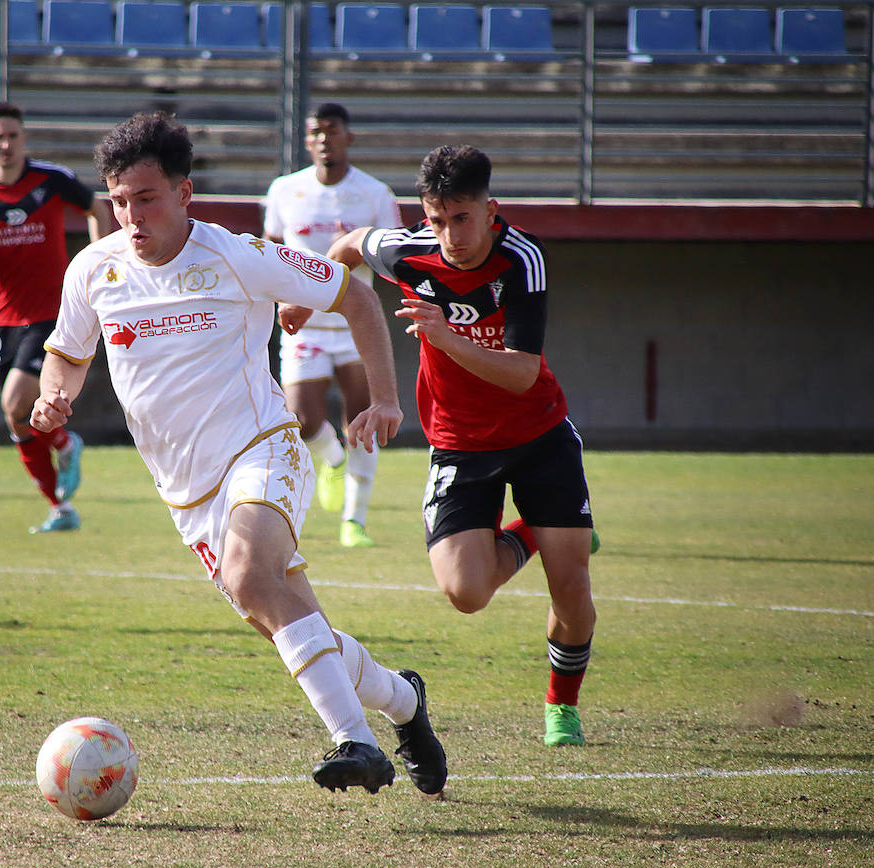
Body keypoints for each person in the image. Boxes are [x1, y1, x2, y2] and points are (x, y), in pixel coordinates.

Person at [30, 112, 447, 795]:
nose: (131, 215)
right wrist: (55, 396)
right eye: (119, 200)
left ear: (184, 193)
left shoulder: (236, 254)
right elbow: (67, 357)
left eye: (147, 197)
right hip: (187, 498)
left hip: (264, 449)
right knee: (294, 625)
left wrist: (385, 399)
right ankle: (404, 702)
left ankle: (356, 742)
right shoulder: (93, 270)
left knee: (255, 577)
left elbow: (356, 298)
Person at [329, 144, 599, 747]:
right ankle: (532, 532)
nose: (448, 234)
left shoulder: (523, 259)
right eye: (435, 218)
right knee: (466, 593)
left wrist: (447, 339)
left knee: (572, 590)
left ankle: (561, 706)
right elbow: (347, 247)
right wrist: (306, 296)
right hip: (458, 442)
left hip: (538, 434)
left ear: (490, 209)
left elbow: (522, 372)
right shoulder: (410, 251)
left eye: (461, 218)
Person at [0, 103, 111, 533]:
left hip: (51, 314)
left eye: (13, 136)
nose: (6, 145)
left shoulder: (52, 179)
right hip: (4, 321)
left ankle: (66, 445)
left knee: (15, 401)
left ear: (24, 139)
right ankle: (59, 506)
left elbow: (98, 209)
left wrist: (101, 265)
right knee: (16, 418)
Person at [263, 103, 404, 549]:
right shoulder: (285, 189)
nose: (325, 139)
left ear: (349, 137)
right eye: (316, 132)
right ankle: (333, 461)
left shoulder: (375, 193)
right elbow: (270, 246)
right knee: (301, 420)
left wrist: (356, 250)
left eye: (333, 130)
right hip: (303, 326)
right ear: (307, 140)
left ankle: (354, 521)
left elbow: (394, 257)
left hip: (354, 326)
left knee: (363, 419)